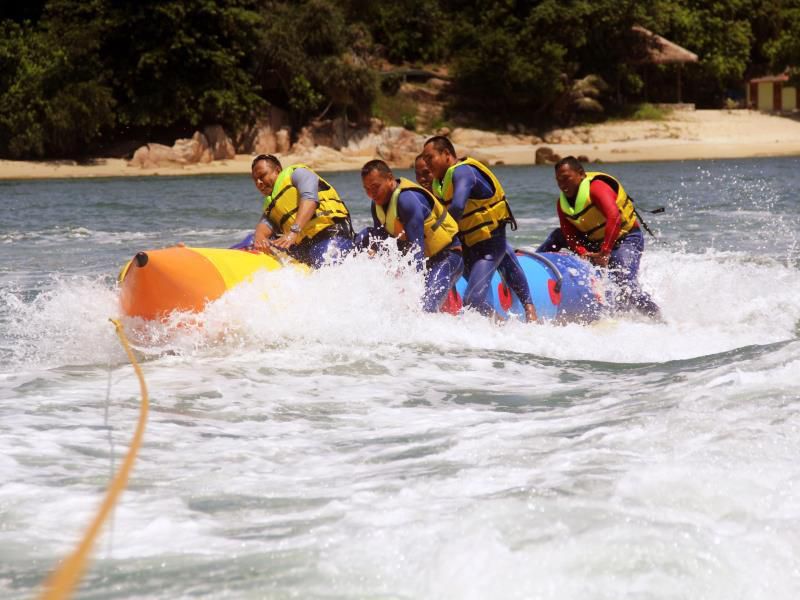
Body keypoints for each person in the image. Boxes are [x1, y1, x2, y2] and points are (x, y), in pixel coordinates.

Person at [421, 136, 537, 322]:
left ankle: (527, 311)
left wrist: (438, 235)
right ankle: (501, 323)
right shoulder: (439, 184)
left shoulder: (463, 172)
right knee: (475, 298)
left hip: (490, 244)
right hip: (468, 247)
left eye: (430, 158)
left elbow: (458, 207)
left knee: (472, 300)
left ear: (446, 154)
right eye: (424, 160)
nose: (427, 164)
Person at [537, 156, 661, 318]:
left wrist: (605, 252)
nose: (562, 184)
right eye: (558, 180)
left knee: (626, 285)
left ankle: (657, 318)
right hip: (596, 243)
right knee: (557, 236)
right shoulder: (562, 204)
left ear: (581, 174)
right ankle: (530, 267)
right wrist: (582, 252)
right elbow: (569, 234)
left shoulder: (597, 188)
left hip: (625, 239)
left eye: (566, 178)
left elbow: (614, 218)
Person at [356, 159, 464, 312]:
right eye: (367, 189)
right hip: (427, 262)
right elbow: (384, 247)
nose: (371, 193)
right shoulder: (376, 206)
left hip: (447, 257)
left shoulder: (406, 200)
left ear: (389, 179)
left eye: (375, 186)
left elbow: (416, 251)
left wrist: (411, 290)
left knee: (426, 308)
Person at [249, 154, 354, 268]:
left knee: (324, 263)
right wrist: (260, 237)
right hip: (304, 247)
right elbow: (265, 224)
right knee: (250, 240)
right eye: (255, 180)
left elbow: (310, 199)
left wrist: (293, 232)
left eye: (262, 175)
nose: (258, 183)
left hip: (331, 235)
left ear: (277, 170)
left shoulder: (298, 173)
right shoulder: (271, 204)